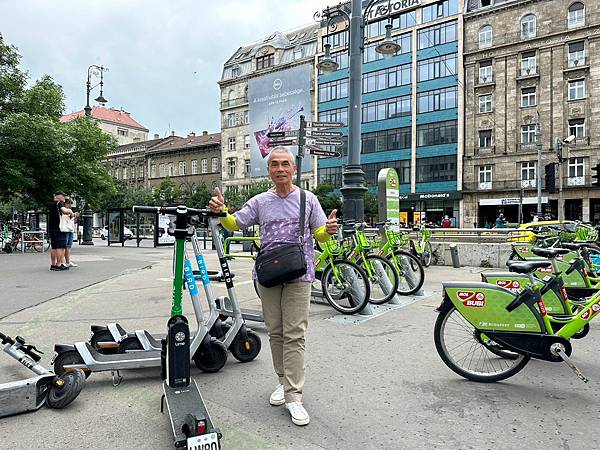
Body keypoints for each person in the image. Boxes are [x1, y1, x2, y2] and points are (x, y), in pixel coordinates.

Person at [209, 147, 337, 426]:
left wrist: (326, 231)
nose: (280, 169)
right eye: (274, 165)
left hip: (299, 275)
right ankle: (283, 381)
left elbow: (321, 237)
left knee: (295, 334)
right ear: (269, 170)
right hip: (267, 275)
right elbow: (235, 224)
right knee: (276, 333)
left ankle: (294, 395)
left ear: (294, 169)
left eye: (285, 164)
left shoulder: (308, 199)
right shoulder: (260, 202)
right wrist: (222, 212)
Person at [47, 191, 75, 271]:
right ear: (58, 196)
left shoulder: (51, 203)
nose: (64, 197)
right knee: (61, 247)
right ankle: (59, 264)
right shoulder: (60, 203)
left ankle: (53, 264)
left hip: (52, 227)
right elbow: (64, 211)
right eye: (63, 196)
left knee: (54, 247)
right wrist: (70, 212)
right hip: (60, 228)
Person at [62, 197, 79, 267]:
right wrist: (74, 215)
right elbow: (68, 216)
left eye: (70, 204)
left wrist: (75, 217)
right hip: (65, 230)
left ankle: (68, 262)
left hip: (70, 230)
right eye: (68, 203)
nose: (69, 205)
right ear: (64, 203)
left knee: (68, 247)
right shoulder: (63, 210)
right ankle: (62, 262)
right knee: (63, 247)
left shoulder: (70, 210)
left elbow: (72, 221)